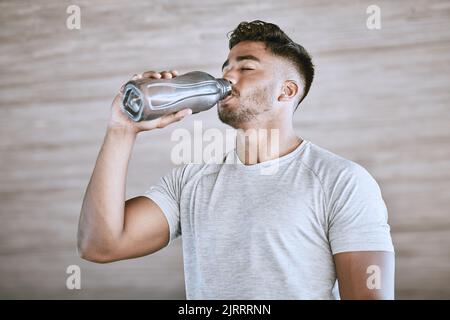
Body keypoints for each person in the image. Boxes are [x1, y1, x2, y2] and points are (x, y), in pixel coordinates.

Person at [78, 20, 395, 299]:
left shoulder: (341, 181)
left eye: (245, 68)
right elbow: (100, 245)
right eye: (225, 69)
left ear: (285, 91)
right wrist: (121, 129)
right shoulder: (190, 182)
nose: (228, 78)